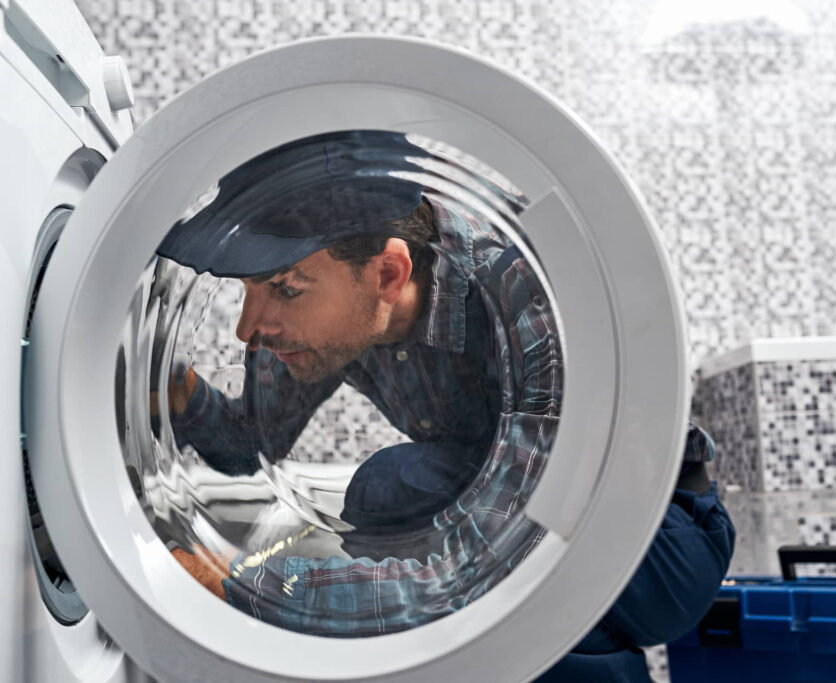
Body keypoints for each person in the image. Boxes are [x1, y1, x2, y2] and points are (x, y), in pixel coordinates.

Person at [157, 130, 734, 681]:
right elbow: (248, 443)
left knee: (447, 536)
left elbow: (490, 555)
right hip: (497, 490)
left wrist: (245, 592)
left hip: (653, 532)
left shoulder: (534, 294)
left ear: (388, 273)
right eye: (248, 291)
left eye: (284, 288)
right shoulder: (340, 310)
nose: (247, 329)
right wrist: (172, 387)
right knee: (388, 487)